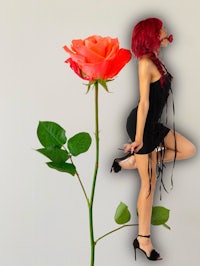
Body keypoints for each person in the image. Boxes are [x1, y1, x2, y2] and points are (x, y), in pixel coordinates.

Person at [111, 17, 196, 261]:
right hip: (142, 125)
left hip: (153, 125)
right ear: (151, 35)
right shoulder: (145, 63)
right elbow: (144, 103)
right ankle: (143, 239)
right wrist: (138, 139)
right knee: (149, 184)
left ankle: (130, 161)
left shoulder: (156, 60)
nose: (166, 30)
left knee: (188, 149)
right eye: (161, 29)